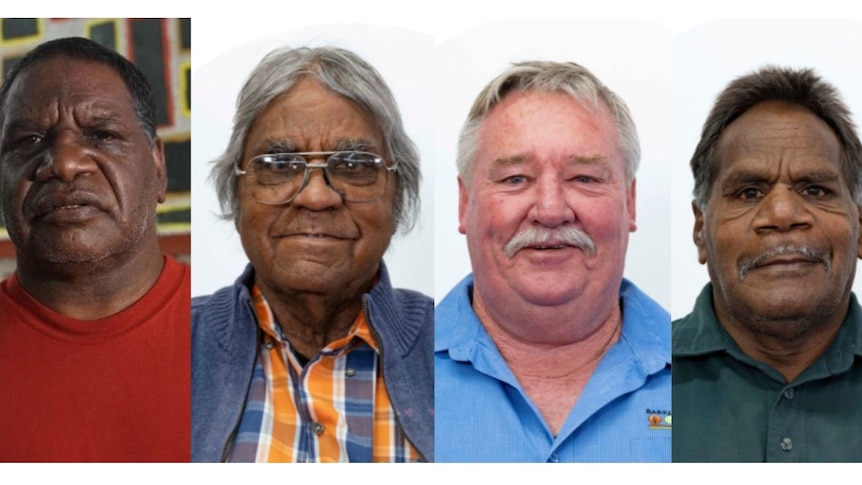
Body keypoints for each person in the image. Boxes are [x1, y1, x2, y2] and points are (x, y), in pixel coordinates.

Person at [192, 46, 433, 463]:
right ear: (236, 193)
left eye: (355, 165)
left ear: (399, 196)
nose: (317, 196)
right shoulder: (168, 349)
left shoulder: (455, 351)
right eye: (279, 164)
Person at [435, 61, 671, 462]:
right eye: (515, 179)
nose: (550, 210)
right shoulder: (384, 372)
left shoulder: (705, 380)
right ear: (464, 204)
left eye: (584, 178)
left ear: (629, 202)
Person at [0, 37, 190, 462]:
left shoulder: (248, 333)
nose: (65, 163)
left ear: (157, 167)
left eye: (102, 134)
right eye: (29, 141)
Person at [673, 66, 862, 462]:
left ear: (859, 229)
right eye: (748, 191)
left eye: (814, 188)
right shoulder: (638, 378)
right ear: (700, 230)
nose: (781, 213)